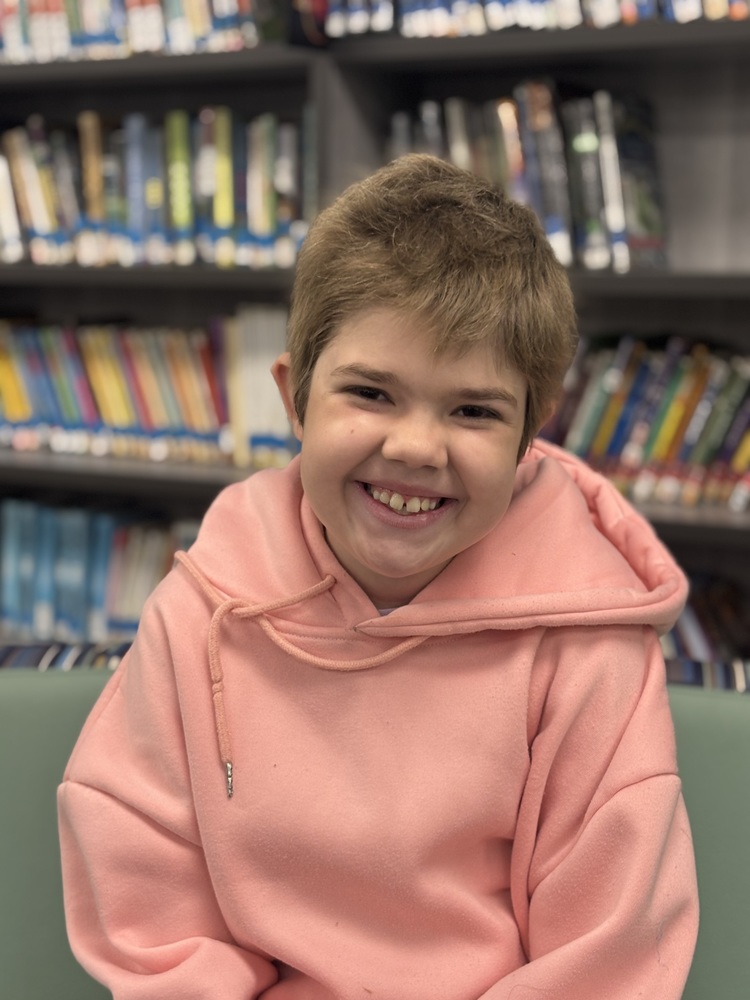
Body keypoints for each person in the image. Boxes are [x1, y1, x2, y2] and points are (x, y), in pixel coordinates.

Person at [58, 154, 699, 1000]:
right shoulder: (200, 607)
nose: (414, 448)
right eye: (371, 393)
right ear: (294, 396)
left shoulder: (590, 651)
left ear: (529, 435)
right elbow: (145, 887)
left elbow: (608, 952)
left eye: (473, 410)